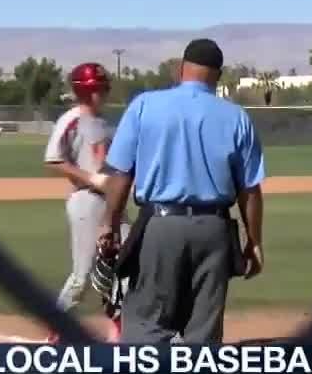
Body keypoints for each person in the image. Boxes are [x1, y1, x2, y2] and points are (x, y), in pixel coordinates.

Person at [99, 38, 266, 345]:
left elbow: (121, 175)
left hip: (160, 227)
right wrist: (254, 241)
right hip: (214, 230)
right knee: (204, 332)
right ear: (218, 75)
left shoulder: (145, 105)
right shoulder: (236, 117)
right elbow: (250, 190)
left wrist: (109, 226)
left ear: (180, 70)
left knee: (148, 326)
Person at [42, 62, 126, 343]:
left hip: (112, 204)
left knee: (126, 263)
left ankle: (119, 330)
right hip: (86, 202)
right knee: (82, 276)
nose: (106, 91)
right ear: (88, 91)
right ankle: (57, 328)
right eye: (101, 87)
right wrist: (92, 178)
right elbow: (53, 160)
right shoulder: (71, 119)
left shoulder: (104, 122)